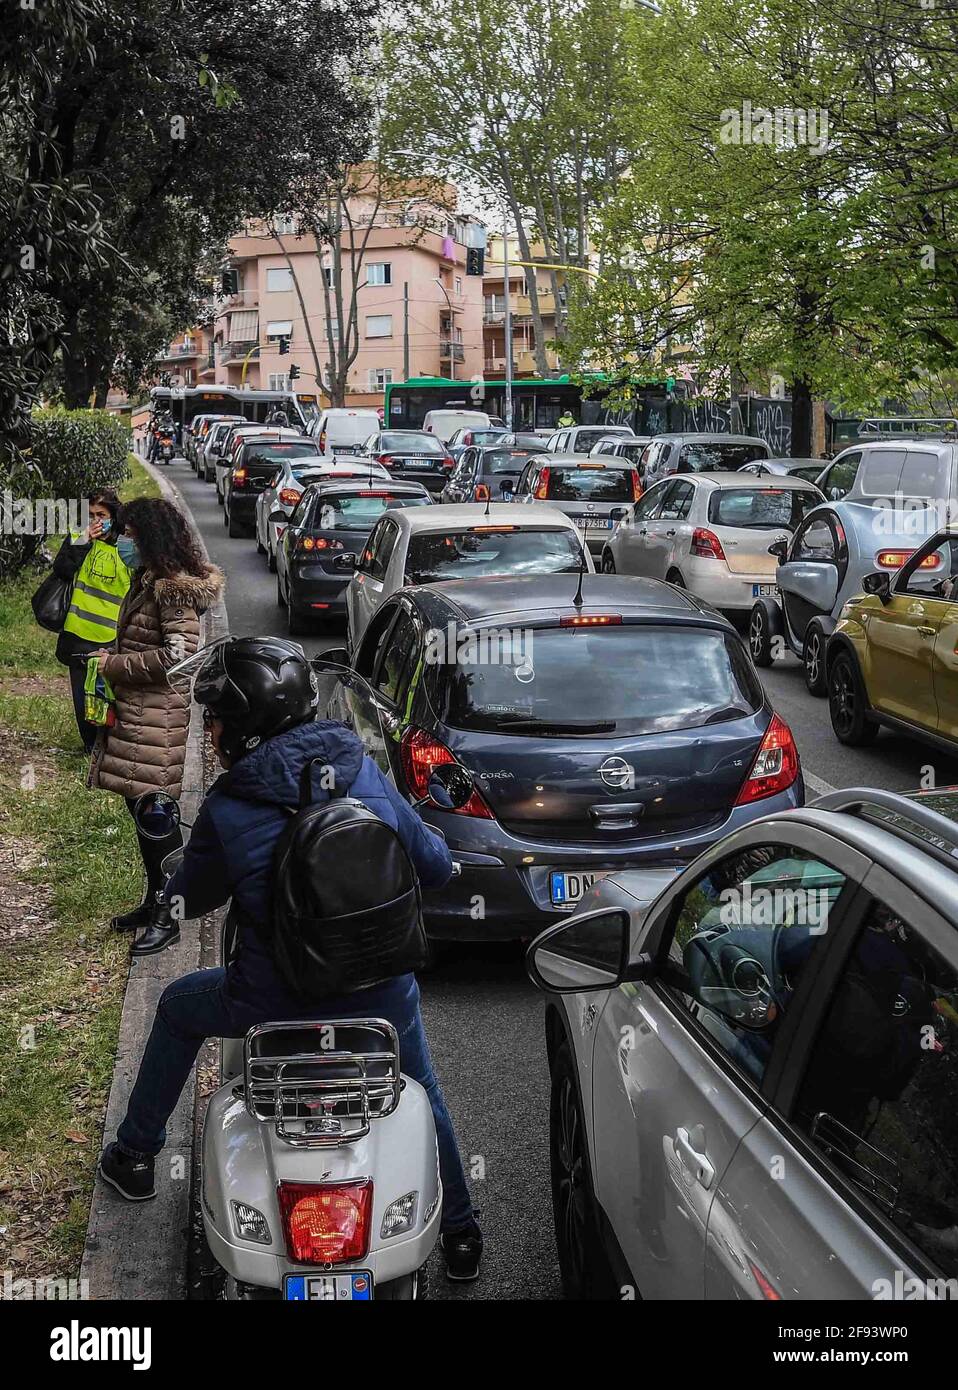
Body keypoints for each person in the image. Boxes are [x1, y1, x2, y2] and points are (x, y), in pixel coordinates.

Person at [96, 637, 483, 1282]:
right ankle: (463, 1232)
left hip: (270, 1001)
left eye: (216, 718)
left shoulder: (226, 805)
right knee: (420, 1088)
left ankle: (136, 1157)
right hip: (379, 998)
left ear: (246, 724)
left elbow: (194, 899)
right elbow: (437, 867)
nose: (211, 732)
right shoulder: (361, 770)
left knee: (176, 1008)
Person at [88, 497, 224, 953]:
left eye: (128, 534)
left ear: (147, 537)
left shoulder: (173, 589)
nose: (122, 542)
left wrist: (115, 664)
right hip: (138, 714)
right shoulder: (149, 581)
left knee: (156, 818)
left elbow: (180, 659)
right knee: (143, 816)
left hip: (156, 718)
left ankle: (170, 916)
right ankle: (154, 902)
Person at [51, 490, 135, 753]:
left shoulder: (126, 546)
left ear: (114, 516)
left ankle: (109, 744)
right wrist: (83, 539)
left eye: (102, 515)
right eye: (90, 515)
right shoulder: (80, 537)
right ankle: (90, 746)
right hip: (78, 634)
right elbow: (62, 569)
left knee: (110, 697)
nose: (96, 520)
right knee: (81, 699)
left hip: (111, 639)